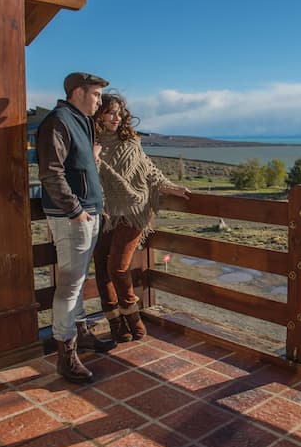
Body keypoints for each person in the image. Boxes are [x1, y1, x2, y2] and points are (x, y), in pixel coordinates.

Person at [37, 72, 116, 384]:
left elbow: (80, 168)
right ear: (78, 92)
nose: (99, 100)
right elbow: (51, 172)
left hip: (89, 213)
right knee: (70, 286)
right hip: (72, 216)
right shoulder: (58, 121)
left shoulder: (81, 120)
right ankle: (66, 355)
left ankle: (81, 334)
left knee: (80, 281)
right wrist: (76, 211)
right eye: (96, 94)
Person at [93, 91, 189, 343]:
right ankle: (115, 323)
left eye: (118, 113)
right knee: (101, 269)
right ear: (99, 115)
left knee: (117, 267)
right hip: (105, 212)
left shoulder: (131, 141)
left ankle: (133, 316)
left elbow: (148, 171)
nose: (116, 117)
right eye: (109, 112)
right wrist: (93, 157)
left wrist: (171, 187)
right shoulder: (92, 143)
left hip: (135, 212)